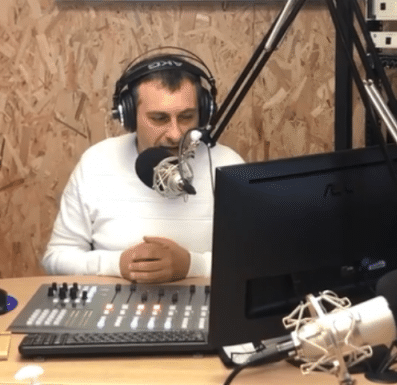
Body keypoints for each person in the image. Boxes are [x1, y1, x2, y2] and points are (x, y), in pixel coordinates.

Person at [42, 48, 245, 283]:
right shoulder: (96, 163)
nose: (175, 134)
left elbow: (255, 258)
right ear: (129, 117)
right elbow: (56, 258)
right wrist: (118, 264)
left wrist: (192, 265)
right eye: (159, 119)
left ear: (204, 112)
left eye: (186, 117)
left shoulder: (228, 165)